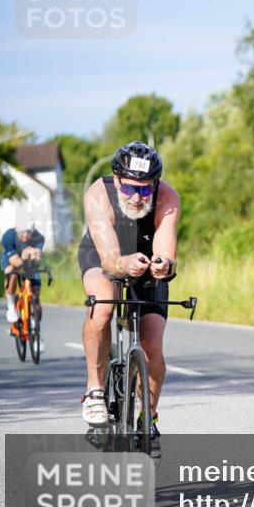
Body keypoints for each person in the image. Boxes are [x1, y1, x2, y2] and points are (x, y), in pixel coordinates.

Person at [76, 142, 180, 450]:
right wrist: (123, 264)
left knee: (152, 343)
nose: (137, 197)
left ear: (155, 185)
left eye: (145, 189)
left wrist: (164, 264)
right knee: (102, 307)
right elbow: (110, 260)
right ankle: (95, 390)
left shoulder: (168, 198)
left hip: (145, 261)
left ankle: (148, 418)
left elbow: (166, 249)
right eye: (130, 188)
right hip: (103, 255)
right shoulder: (98, 193)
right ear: (117, 180)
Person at [1, 220, 45, 326]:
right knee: (12, 274)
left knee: (36, 288)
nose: (25, 235)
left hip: (28, 261)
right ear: (16, 229)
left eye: (29, 232)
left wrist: (34, 257)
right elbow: (15, 262)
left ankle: (34, 321)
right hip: (12, 258)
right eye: (22, 232)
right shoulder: (8, 236)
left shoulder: (39, 238)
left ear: (33, 231)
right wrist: (23, 258)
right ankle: (11, 304)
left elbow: (37, 262)